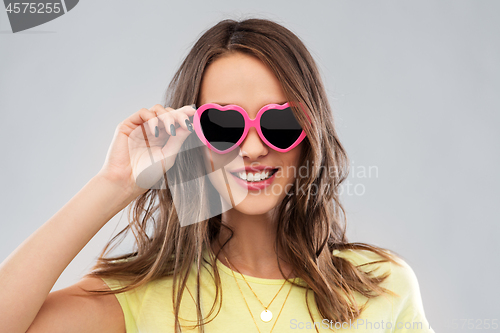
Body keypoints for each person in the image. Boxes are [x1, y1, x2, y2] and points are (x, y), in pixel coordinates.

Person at [0, 18, 435, 333]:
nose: (252, 148)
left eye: (278, 124)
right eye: (223, 126)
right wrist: (115, 183)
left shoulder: (382, 286)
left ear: (310, 133)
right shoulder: (137, 296)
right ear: (191, 139)